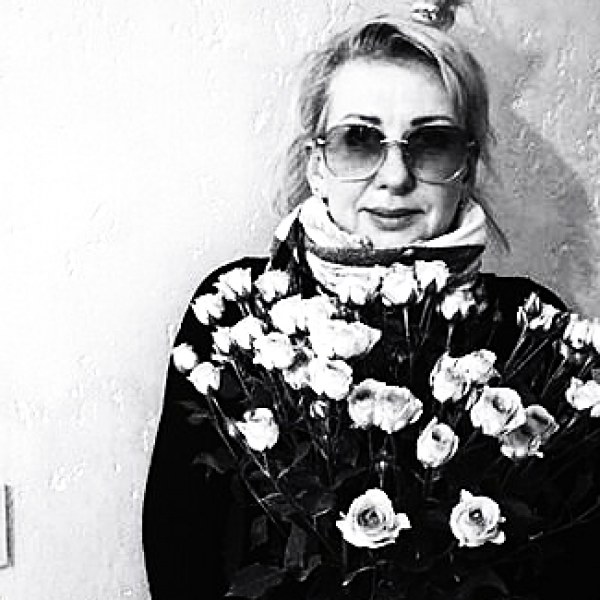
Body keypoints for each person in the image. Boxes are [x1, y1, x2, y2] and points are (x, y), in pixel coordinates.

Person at [143, 9, 600, 600]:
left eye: (431, 142)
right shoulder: (238, 317)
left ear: (466, 167)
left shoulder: (531, 332)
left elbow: (578, 555)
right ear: (317, 165)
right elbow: (181, 544)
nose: (395, 176)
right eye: (359, 140)